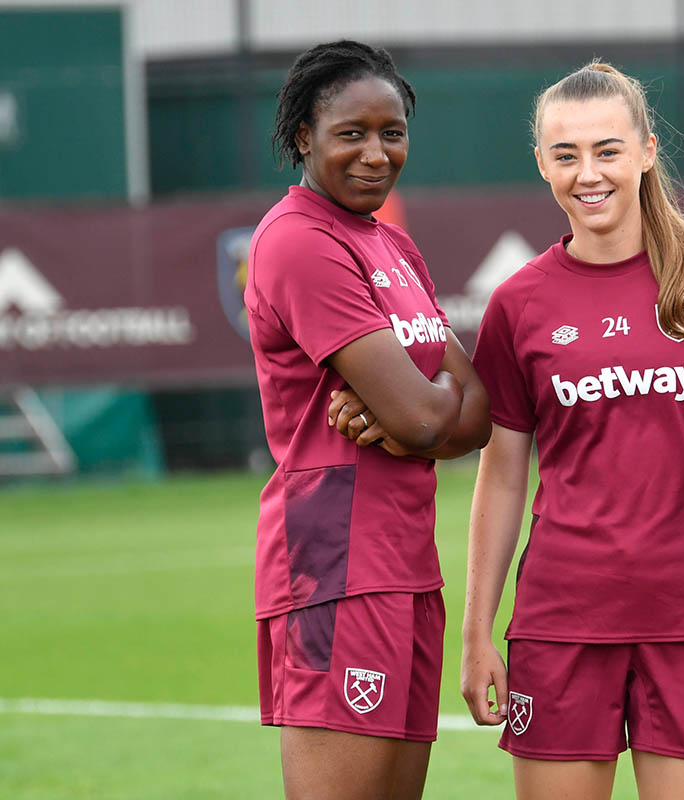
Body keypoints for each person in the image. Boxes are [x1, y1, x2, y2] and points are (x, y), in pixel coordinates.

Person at [460, 62, 684, 800]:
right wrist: (476, 631)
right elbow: (504, 473)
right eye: (566, 154)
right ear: (542, 162)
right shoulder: (518, 304)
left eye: (608, 150)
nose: (589, 173)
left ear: (647, 151)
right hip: (560, 621)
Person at [244, 40, 491, 800]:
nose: (376, 153)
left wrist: (427, 410)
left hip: (409, 564)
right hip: (337, 566)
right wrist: (427, 410)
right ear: (302, 139)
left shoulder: (392, 244)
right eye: (352, 132)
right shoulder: (299, 240)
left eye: (393, 132)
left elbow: (474, 414)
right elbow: (429, 418)